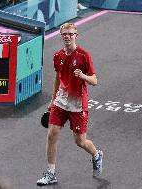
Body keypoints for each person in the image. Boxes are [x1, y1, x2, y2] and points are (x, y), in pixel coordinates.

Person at [37, 22, 103, 186]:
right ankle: (51, 173)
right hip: (61, 101)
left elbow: (94, 80)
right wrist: (53, 100)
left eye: (70, 34)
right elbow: (58, 78)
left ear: (76, 35)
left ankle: (96, 154)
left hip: (78, 105)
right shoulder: (57, 56)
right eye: (64, 34)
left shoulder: (84, 56)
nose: (67, 36)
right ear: (61, 36)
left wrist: (83, 76)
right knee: (52, 134)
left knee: (80, 141)